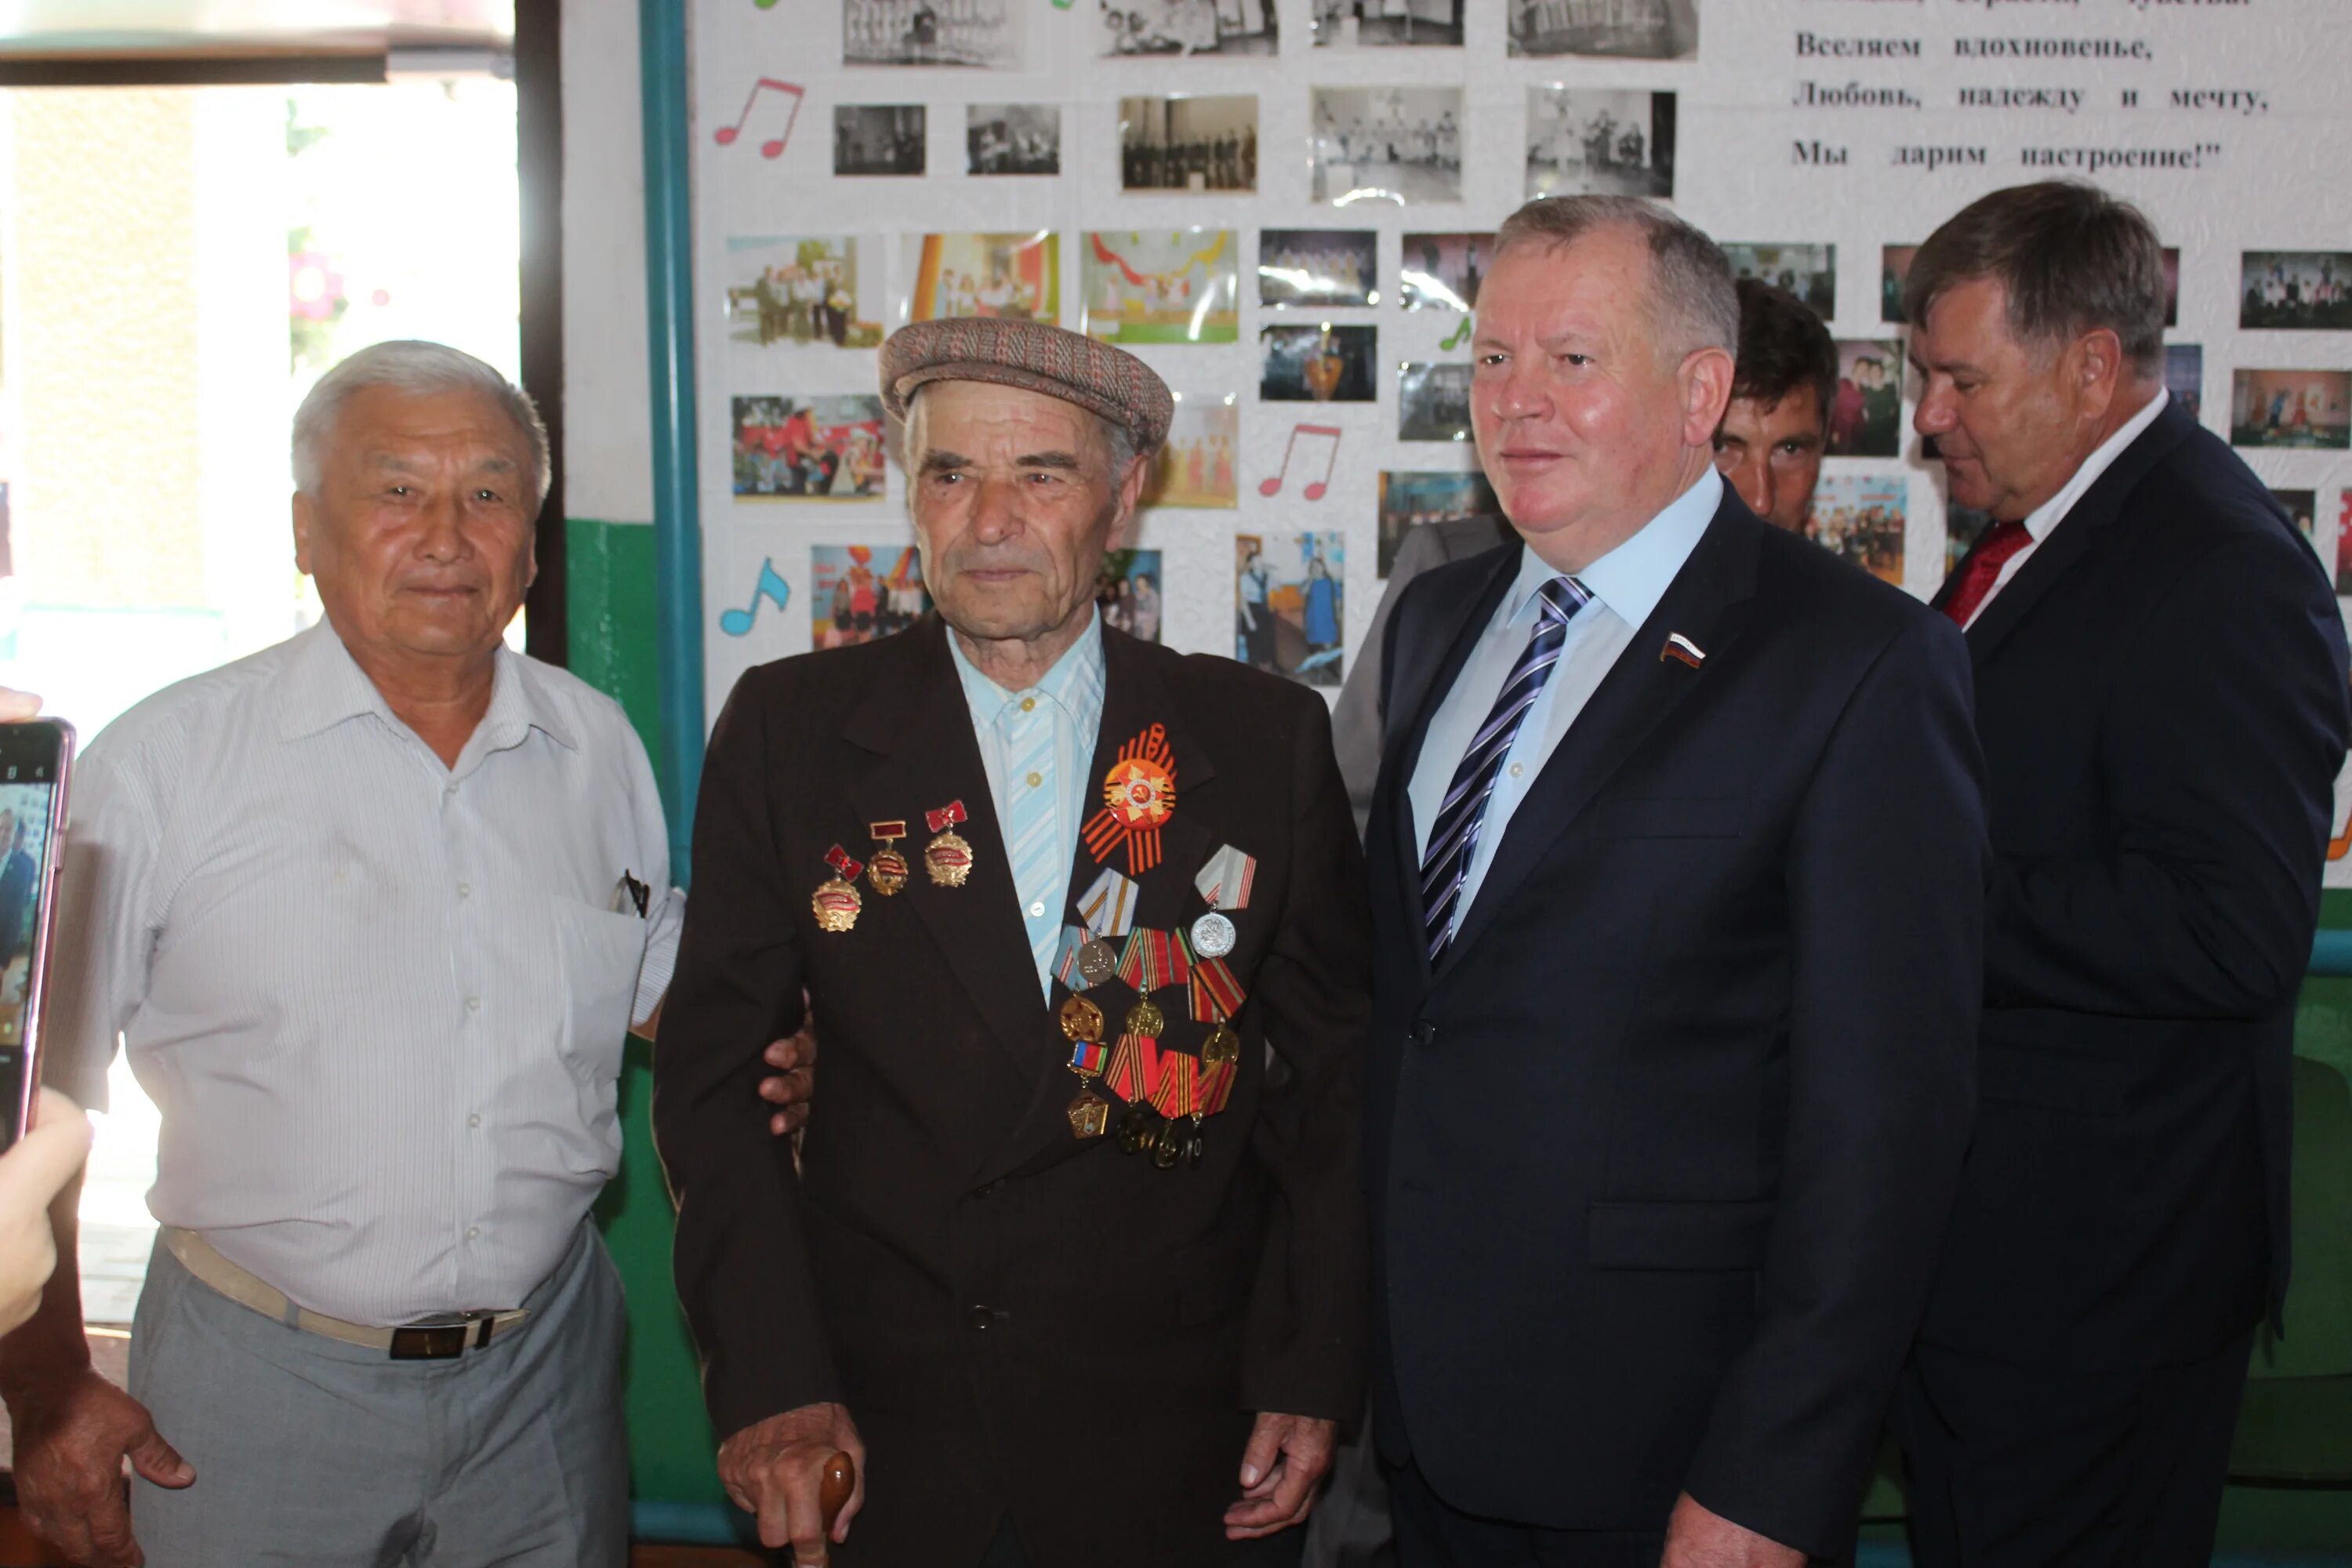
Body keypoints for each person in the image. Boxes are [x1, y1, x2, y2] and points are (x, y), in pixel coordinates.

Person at [654, 316, 1371, 1568]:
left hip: (1178, 1441)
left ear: (1124, 493)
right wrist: (771, 1381)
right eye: (951, 474)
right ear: (910, 492)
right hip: (882, 1440)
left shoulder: (1257, 742)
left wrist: (1308, 1367)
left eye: (1041, 473)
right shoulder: (792, 734)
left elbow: (1333, 1089)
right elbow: (717, 1088)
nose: (990, 517)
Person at [1363, 195, 1985, 1566]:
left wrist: (1773, 1473)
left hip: (1667, 1459)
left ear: (1700, 391)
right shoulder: (1435, 624)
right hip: (1417, 1429)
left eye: (1572, 361)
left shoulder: (1857, 665)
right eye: (1492, 362)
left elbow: (1884, 1132)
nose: (1515, 404)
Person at [0, 341, 684, 1568]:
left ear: (531, 541)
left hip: (546, 1384)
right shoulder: (161, 768)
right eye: (394, 489)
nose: (444, 533)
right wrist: (44, 1387)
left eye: (487, 492)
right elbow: (28, 1103)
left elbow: (657, 981)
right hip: (253, 1391)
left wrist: (791, 1038)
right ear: (306, 530)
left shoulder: (598, 749)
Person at [1893, 181, 2352, 1568]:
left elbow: (2230, 933)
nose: (1928, 417)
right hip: (1999, 1275)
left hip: (2092, 1293)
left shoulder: (2217, 570)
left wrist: (1916, 902)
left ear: (2094, 366)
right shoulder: (2048, 530)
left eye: (1963, 379)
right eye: (1926, 378)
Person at [1335, 271, 1835, 831]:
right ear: (1683, 412)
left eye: (1791, 449)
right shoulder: (1446, 578)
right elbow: (1348, 812)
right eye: (1728, 447)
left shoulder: (1846, 644)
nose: (1762, 494)